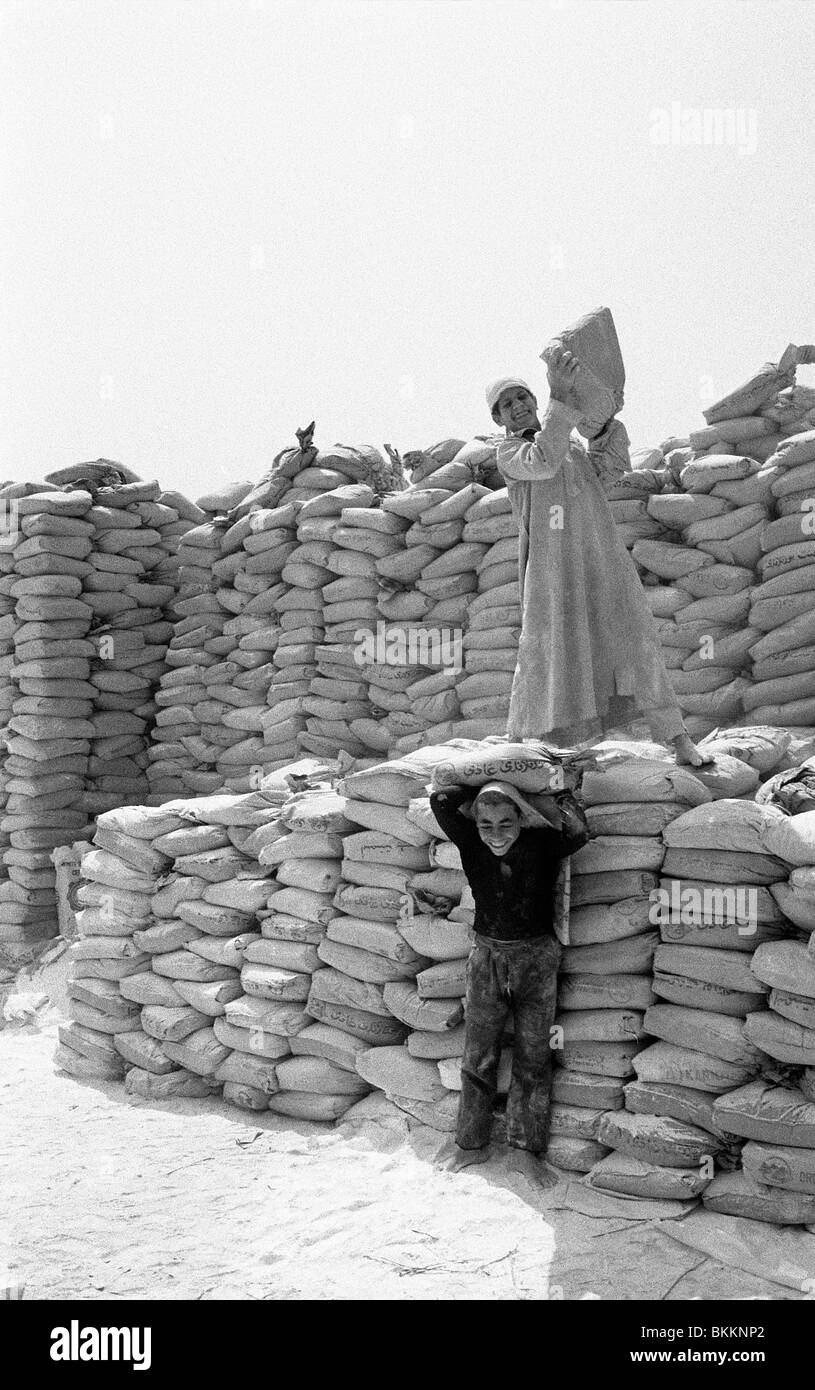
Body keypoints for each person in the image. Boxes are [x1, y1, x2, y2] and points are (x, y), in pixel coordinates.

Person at [486, 349, 713, 767]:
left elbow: (611, 472)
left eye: (524, 397)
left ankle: (676, 737)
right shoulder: (512, 455)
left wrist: (605, 424)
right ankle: (529, 741)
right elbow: (543, 461)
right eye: (507, 404)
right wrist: (561, 396)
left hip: (601, 558)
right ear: (499, 419)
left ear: (535, 403)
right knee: (552, 650)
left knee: (633, 640)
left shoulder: (570, 447)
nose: (519, 406)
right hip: (553, 571)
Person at [429, 776, 590, 1186]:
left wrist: (559, 790)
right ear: (476, 824)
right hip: (486, 957)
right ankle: (470, 1143)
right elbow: (440, 800)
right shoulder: (470, 845)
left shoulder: (541, 846)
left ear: (522, 818)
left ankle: (524, 1150)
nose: (496, 834)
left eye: (506, 822)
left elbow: (578, 830)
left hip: (537, 959)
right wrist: (486, 783)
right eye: (486, 824)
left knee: (534, 1057)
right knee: (478, 1055)